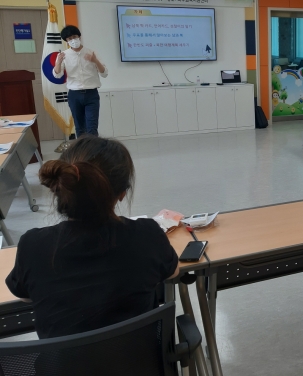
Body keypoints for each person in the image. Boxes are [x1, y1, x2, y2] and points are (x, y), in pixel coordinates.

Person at [5, 136, 179, 339]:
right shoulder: (146, 235)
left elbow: (24, 296)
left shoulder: (33, 246)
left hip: (63, 360)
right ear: (122, 193)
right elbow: (173, 272)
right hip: (140, 357)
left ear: (60, 188)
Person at [54, 25, 108, 137]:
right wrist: (58, 62)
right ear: (66, 41)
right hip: (74, 95)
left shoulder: (92, 53)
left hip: (91, 94)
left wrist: (95, 61)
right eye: (69, 39)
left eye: (74, 37)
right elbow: (57, 75)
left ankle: (93, 148)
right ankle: (82, 148)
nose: (73, 40)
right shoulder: (63, 55)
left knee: (92, 127)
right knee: (80, 128)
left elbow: (104, 73)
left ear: (79, 36)